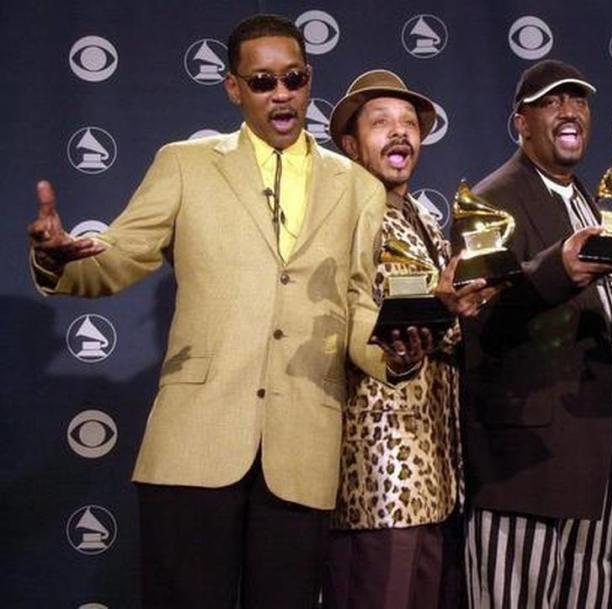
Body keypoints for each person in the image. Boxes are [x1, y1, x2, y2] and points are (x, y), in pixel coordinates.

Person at [26, 14, 415, 609]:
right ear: (234, 88)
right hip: (194, 445)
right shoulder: (186, 163)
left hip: (302, 450)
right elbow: (119, 259)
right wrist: (59, 261)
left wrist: (394, 352)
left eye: (294, 78)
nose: (281, 94)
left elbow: (357, 304)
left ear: (310, 81)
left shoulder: (356, 186)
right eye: (262, 82)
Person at [453, 59, 612, 609]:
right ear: (521, 123)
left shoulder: (590, 201)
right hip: (522, 465)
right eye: (552, 102)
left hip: (593, 458)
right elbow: (481, 314)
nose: (570, 111)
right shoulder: (491, 199)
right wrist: (556, 271)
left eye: (578, 101)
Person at [322, 69, 491, 609]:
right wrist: (442, 311)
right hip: (376, 470)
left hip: (436, 472)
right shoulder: (342, 215)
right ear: (351, 144)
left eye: (409, 124)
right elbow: (350, 314)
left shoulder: (424, 217)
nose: (400, 133)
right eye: (382, 123)